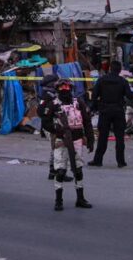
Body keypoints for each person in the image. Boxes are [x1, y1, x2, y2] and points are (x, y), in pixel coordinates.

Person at [40, 78, 94, 211]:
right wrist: (57, 130)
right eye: (62, 88)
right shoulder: (53, 104)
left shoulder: (78, 103)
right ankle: (58, 200)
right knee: (61, 171)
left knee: (78, 170)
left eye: (67, 87)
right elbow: (45, 122)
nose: (65, 90)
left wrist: (90, 139)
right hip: (61, 141)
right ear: (57, 89)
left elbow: (87, 122)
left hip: (77, 140)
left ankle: (80, 198)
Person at [88, 61, 133, 167]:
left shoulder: (101, 80)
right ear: (119, 70)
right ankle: (121, 161)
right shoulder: (123, 81)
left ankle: (98, 160)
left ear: (110, 69)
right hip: (118, 110)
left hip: (105, 110)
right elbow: (129, 95)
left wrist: (95, 107)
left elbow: (94, 95)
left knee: (103, 137)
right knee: (120, 137)